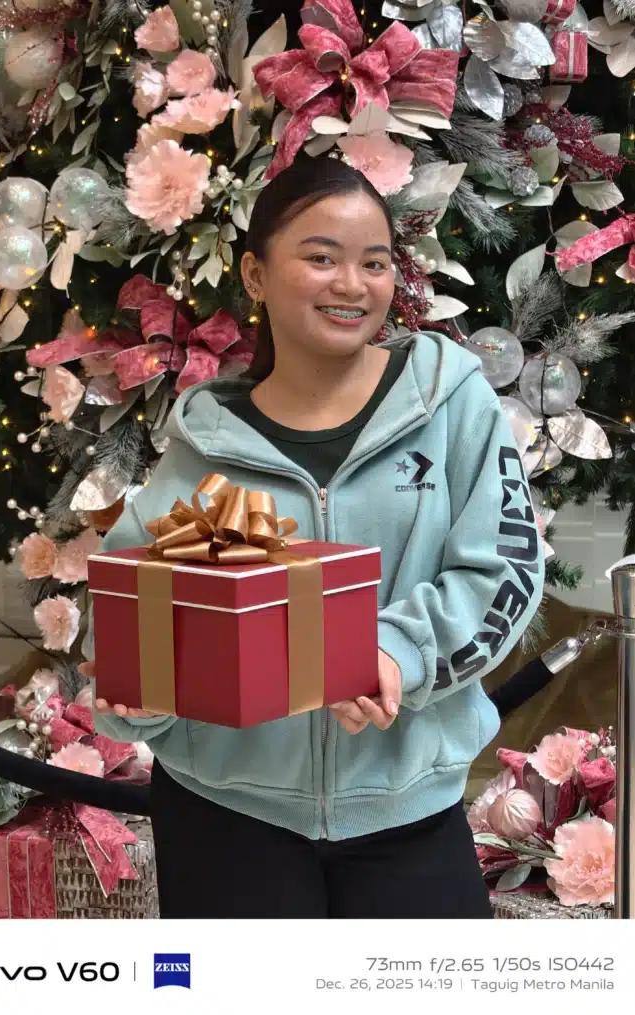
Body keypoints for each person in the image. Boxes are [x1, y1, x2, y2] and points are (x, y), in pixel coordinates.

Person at [85, 156, 544, 919]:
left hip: (408, 812)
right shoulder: (208, 442)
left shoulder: (452, 402)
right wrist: (137, 695)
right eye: (320, 257)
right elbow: (135, 606)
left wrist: (396, 652)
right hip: (225, 815)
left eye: (373, 263)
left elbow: (503, 570)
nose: (352, 285)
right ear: (256, 276)